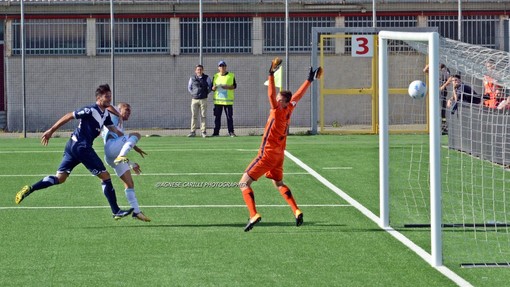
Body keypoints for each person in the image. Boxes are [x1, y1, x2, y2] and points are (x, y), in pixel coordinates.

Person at [14, 84, 134, 219]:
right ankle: (116, 211)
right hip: (81, 147)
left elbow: (114, 130)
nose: (109, 99)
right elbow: (69, 115)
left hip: (72, 146)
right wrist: (51, 131)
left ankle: (30, 189)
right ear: (99, 98)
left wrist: (128, 140)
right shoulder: (90, 109)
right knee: (105, 176)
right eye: (107, 96)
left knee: (60, 178)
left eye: (110, 96)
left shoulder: (105, 113)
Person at [239, 57, 322, 232]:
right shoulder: (289, 108)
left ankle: (253, 214)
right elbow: (297, 96)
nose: (276, 99)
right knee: (278, 184)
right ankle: (296, 210)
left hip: (267, 154)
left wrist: (270, 74)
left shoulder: (277, 110)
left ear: (283, 102)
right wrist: (309, 80)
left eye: (279, 98)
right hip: (279, 155)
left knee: (243, 184)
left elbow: (270, 94)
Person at [103, 102, 151, 222]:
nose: (129, 112)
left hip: (111, 156)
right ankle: (122, 156)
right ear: (119, 109)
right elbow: (107, 105)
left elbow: (123, 139)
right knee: (137, 134)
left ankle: (136, 212)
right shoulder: (114, 115)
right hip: (111, 148)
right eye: (126, 109)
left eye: (130, 110)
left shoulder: (120, 125)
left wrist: (133, 159)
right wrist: (118, 114)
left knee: (129, 184)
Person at [211, 60, 237, 137]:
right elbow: (212, 88)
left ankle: (231, 132)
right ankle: (216, 132)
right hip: (218, 101)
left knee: (229, 117)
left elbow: (234, 86)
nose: (222, 67)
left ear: (226, 67)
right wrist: (214, 88)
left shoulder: (231, 75)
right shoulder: (215, 76)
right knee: (217, 118)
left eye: (223, 66)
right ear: (218, 68)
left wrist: (227, 87)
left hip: (227, 101)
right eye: (220, 66)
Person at [187, 64, 212, 138]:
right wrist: (193, 93)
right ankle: (192, 132)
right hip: (194, 99)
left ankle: (203, 132)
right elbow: (189, 87)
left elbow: (210, 87)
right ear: (195, 71)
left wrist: (205, 93)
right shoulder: (192, 78)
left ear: (203, 70)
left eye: (200, 69)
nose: (199, 71)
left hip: (203, 99)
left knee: (203, 116)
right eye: (198, 69)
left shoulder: (206, 78)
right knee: (194, 116)